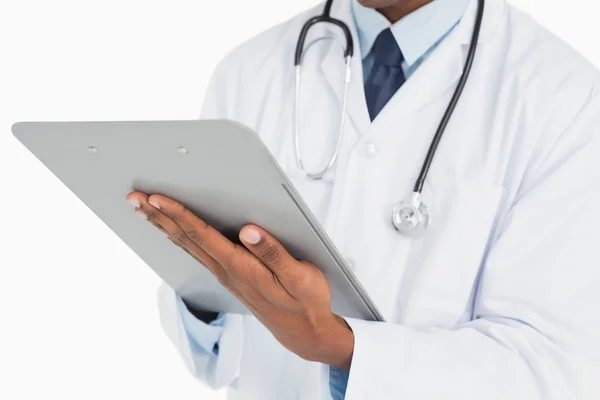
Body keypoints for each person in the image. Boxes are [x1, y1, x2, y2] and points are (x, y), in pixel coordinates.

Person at [126, 0, 600, 398]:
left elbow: (551, 371)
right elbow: (217, 357)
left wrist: (341, 347)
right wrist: (204, 281)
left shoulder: (564, 99)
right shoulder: (249, 71)